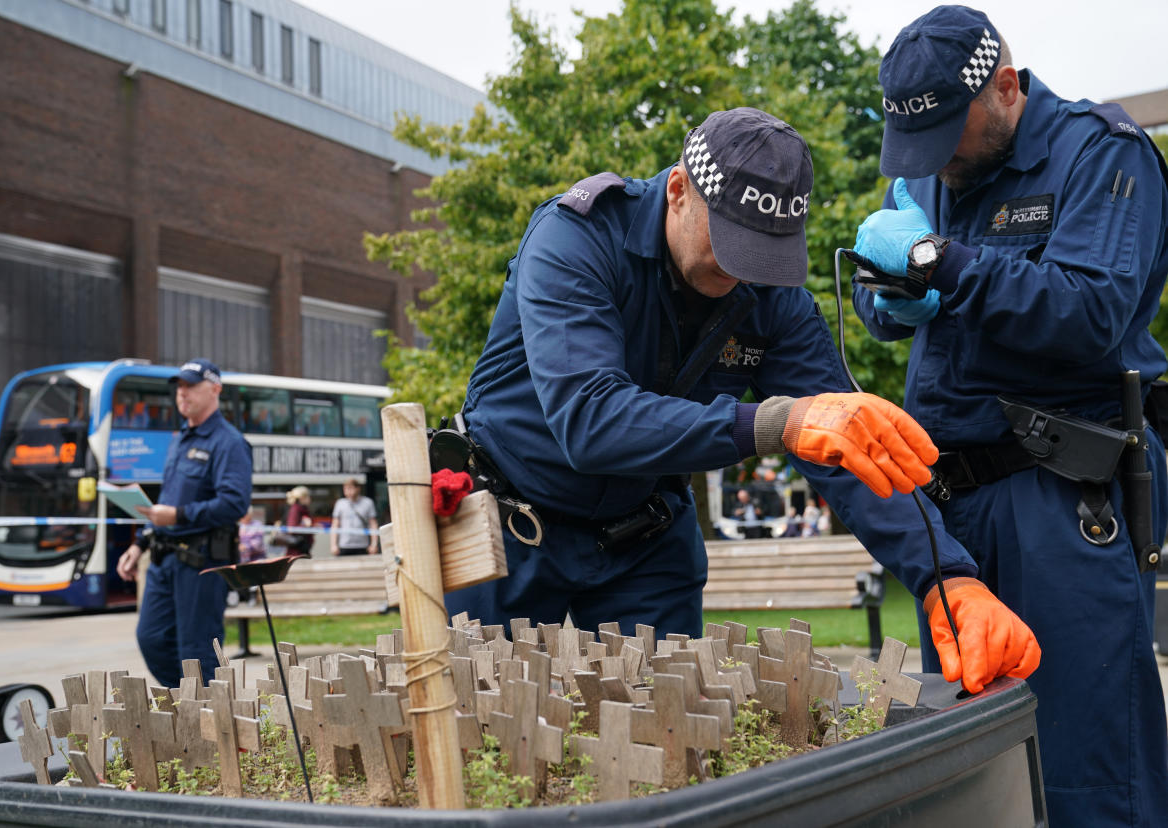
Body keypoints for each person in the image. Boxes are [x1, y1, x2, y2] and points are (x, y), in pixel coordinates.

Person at [444, 107, 1038, 698]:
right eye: (731, 241)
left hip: (642, 538)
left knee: (669, 740)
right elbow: (591, 419)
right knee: (494, 740)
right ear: (679, 190)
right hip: (513, 531)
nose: (741, 270)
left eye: (764, 253)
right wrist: (778, 422)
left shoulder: (772, 299)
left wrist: (947, 579)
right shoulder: (576, 238)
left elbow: (846, 451)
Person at [848, 7, 1168, 826]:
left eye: (951, 135)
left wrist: (940, 262)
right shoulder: (932, 169)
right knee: (968, 771)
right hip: (952, 510)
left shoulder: (1102, 154)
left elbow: (1092, 312)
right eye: (918, 149)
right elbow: (905, 289)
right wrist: (890, 296)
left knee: (1086, 771)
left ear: (1004, 86)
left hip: (1059, 494)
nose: (938, 164)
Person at [116, 358, 252, 687]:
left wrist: (178, 516)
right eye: (179, 387)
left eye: (190, 386)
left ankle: (208, 724)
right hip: (164, 560)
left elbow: (234, 504)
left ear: (215, 389)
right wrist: (140, 543)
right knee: (152, 639)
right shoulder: (180, 441)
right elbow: (168, 499)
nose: (182, 394)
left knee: (196, 652)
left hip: (201, 564)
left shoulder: (229, 442)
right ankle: (187, 705)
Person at [330, 478, 379, 556]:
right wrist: (333, 545)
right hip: (344, 545)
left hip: (362, 545)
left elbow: (373, 524)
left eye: (350, 488)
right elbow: (335, 525)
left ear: (358, 488)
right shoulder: (340, 503)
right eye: (345, 488)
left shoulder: (368, 503)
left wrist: (374, 544)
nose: (347, 491)